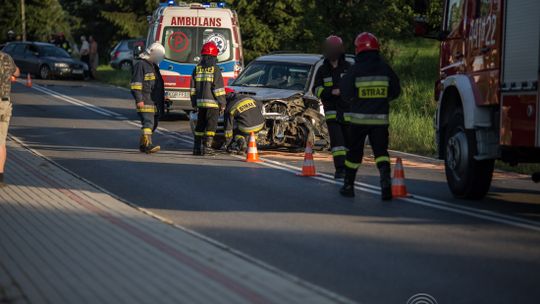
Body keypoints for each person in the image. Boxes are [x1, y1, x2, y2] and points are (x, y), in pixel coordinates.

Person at [339, 32, 401, 200]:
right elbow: (396, 91)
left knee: (354, 154)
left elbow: (344, 92)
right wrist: (383, 98)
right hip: (380, 121)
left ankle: (348, 186)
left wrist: (354, 100)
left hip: (359, 121)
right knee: (381, 152)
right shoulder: (385, 68)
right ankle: (386, 185)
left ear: (358, 49)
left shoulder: (355, 70)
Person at [312, 35, 351, 179]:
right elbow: (315, 90)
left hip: (348, 112)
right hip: (332, 113)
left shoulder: (348, 68)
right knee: (337, 143)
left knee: (348, 143)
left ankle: (349, 168)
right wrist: (331, 92)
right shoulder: (322, 70)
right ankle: (340, 169)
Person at [190, 41, 226, 156]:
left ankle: (196, 148)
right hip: (213, 104)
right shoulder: (215, 69)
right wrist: (222, 103)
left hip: (200, 104)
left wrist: (194, 102)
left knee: (200, 125)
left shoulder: (197, 68)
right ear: (214, 55)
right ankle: (207, 148)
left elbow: (192, 88)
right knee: (211, 126)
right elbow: (218, 88)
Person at [130, 42, 166, 154]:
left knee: (153, 124)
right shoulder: (141, 65)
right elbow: (135, 84)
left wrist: (163, 98)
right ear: (152, 52)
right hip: (145, 100)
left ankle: (143, 145)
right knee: (148, 123)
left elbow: (158, 85)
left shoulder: (154, 66)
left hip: (154, 101)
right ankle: (147, 145)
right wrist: (139, 99)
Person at [222, 89, 265, 155]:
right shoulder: (247, 97)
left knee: (235, 128)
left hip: (246, 128)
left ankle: (241, 141)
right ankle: (252, 141)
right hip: (260, 124)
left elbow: (228, 128)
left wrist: (228, 143)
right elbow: (260, 105)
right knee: (249, 125)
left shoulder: (229, 107)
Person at [0, 51, 20, 187]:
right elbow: (17, 72)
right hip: (4, 104)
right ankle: (0, 178)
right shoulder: (6, 58)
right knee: (0, 141)